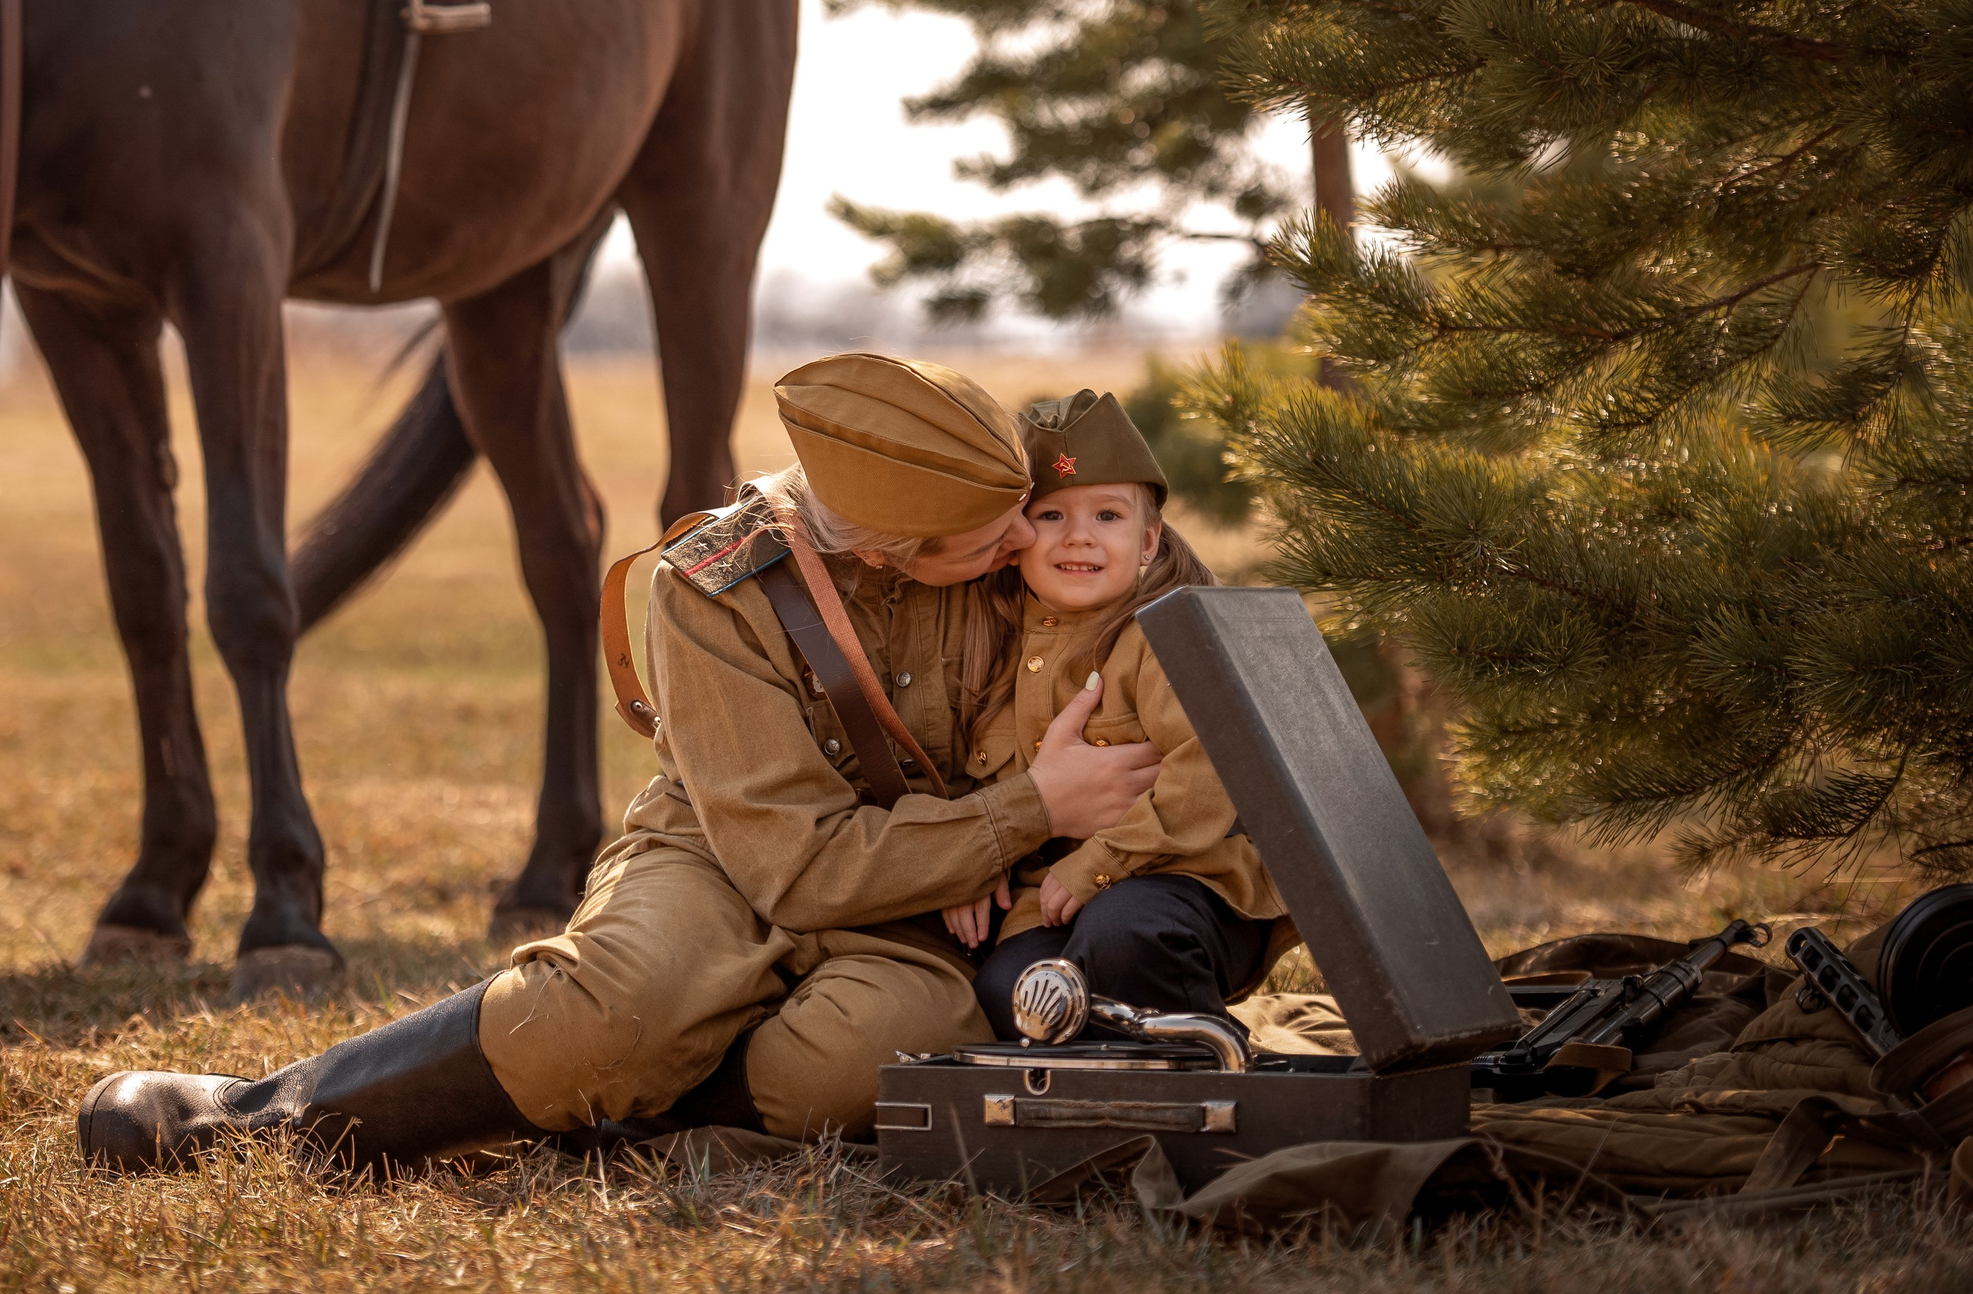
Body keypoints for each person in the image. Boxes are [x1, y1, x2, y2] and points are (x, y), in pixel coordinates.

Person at [78, 354, 1167, 1171]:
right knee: (601, 1015)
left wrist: (1025, 833)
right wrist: (1020, 811)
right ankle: (266, 1110)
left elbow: (1164, 607)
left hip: (929, 898)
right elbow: (791, 862)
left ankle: (594, 1114)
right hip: (731, 852)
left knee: (872, 1060)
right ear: (884, 549)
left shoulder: (1004, 514)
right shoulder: (715, 582)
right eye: (989, 544)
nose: (1027, 545)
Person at [935, 389, 1291, 1039]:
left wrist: (1098, 863)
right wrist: (971, 859)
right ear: (1015, 540)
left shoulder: (1163, 635)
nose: (1079, 536)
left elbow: (1208, 770)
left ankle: (1207, 1074)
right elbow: (981, 779)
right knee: (1006, 989)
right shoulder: (999, 645)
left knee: (1123, 936)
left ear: (1148, 538)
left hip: (1185, 885)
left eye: (1107, 514)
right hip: (1056, 904)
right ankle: (1106, 1074)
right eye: (1051, 515)